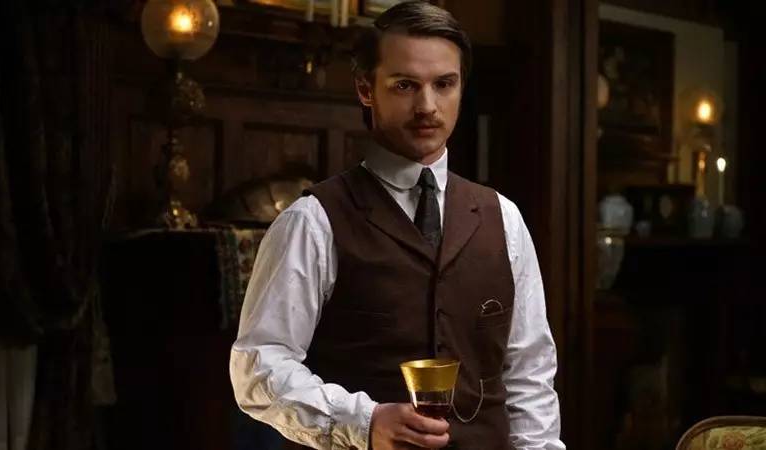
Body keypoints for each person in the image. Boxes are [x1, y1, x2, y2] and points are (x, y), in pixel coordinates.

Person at [230, 2, 565, 449]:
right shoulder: (313, 220)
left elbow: (530, 377)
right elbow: (258, 367)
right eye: (405, 85)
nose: (427, 106)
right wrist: (364, 422)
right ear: (366, 89)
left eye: (444, 84)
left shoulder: (504, 219)